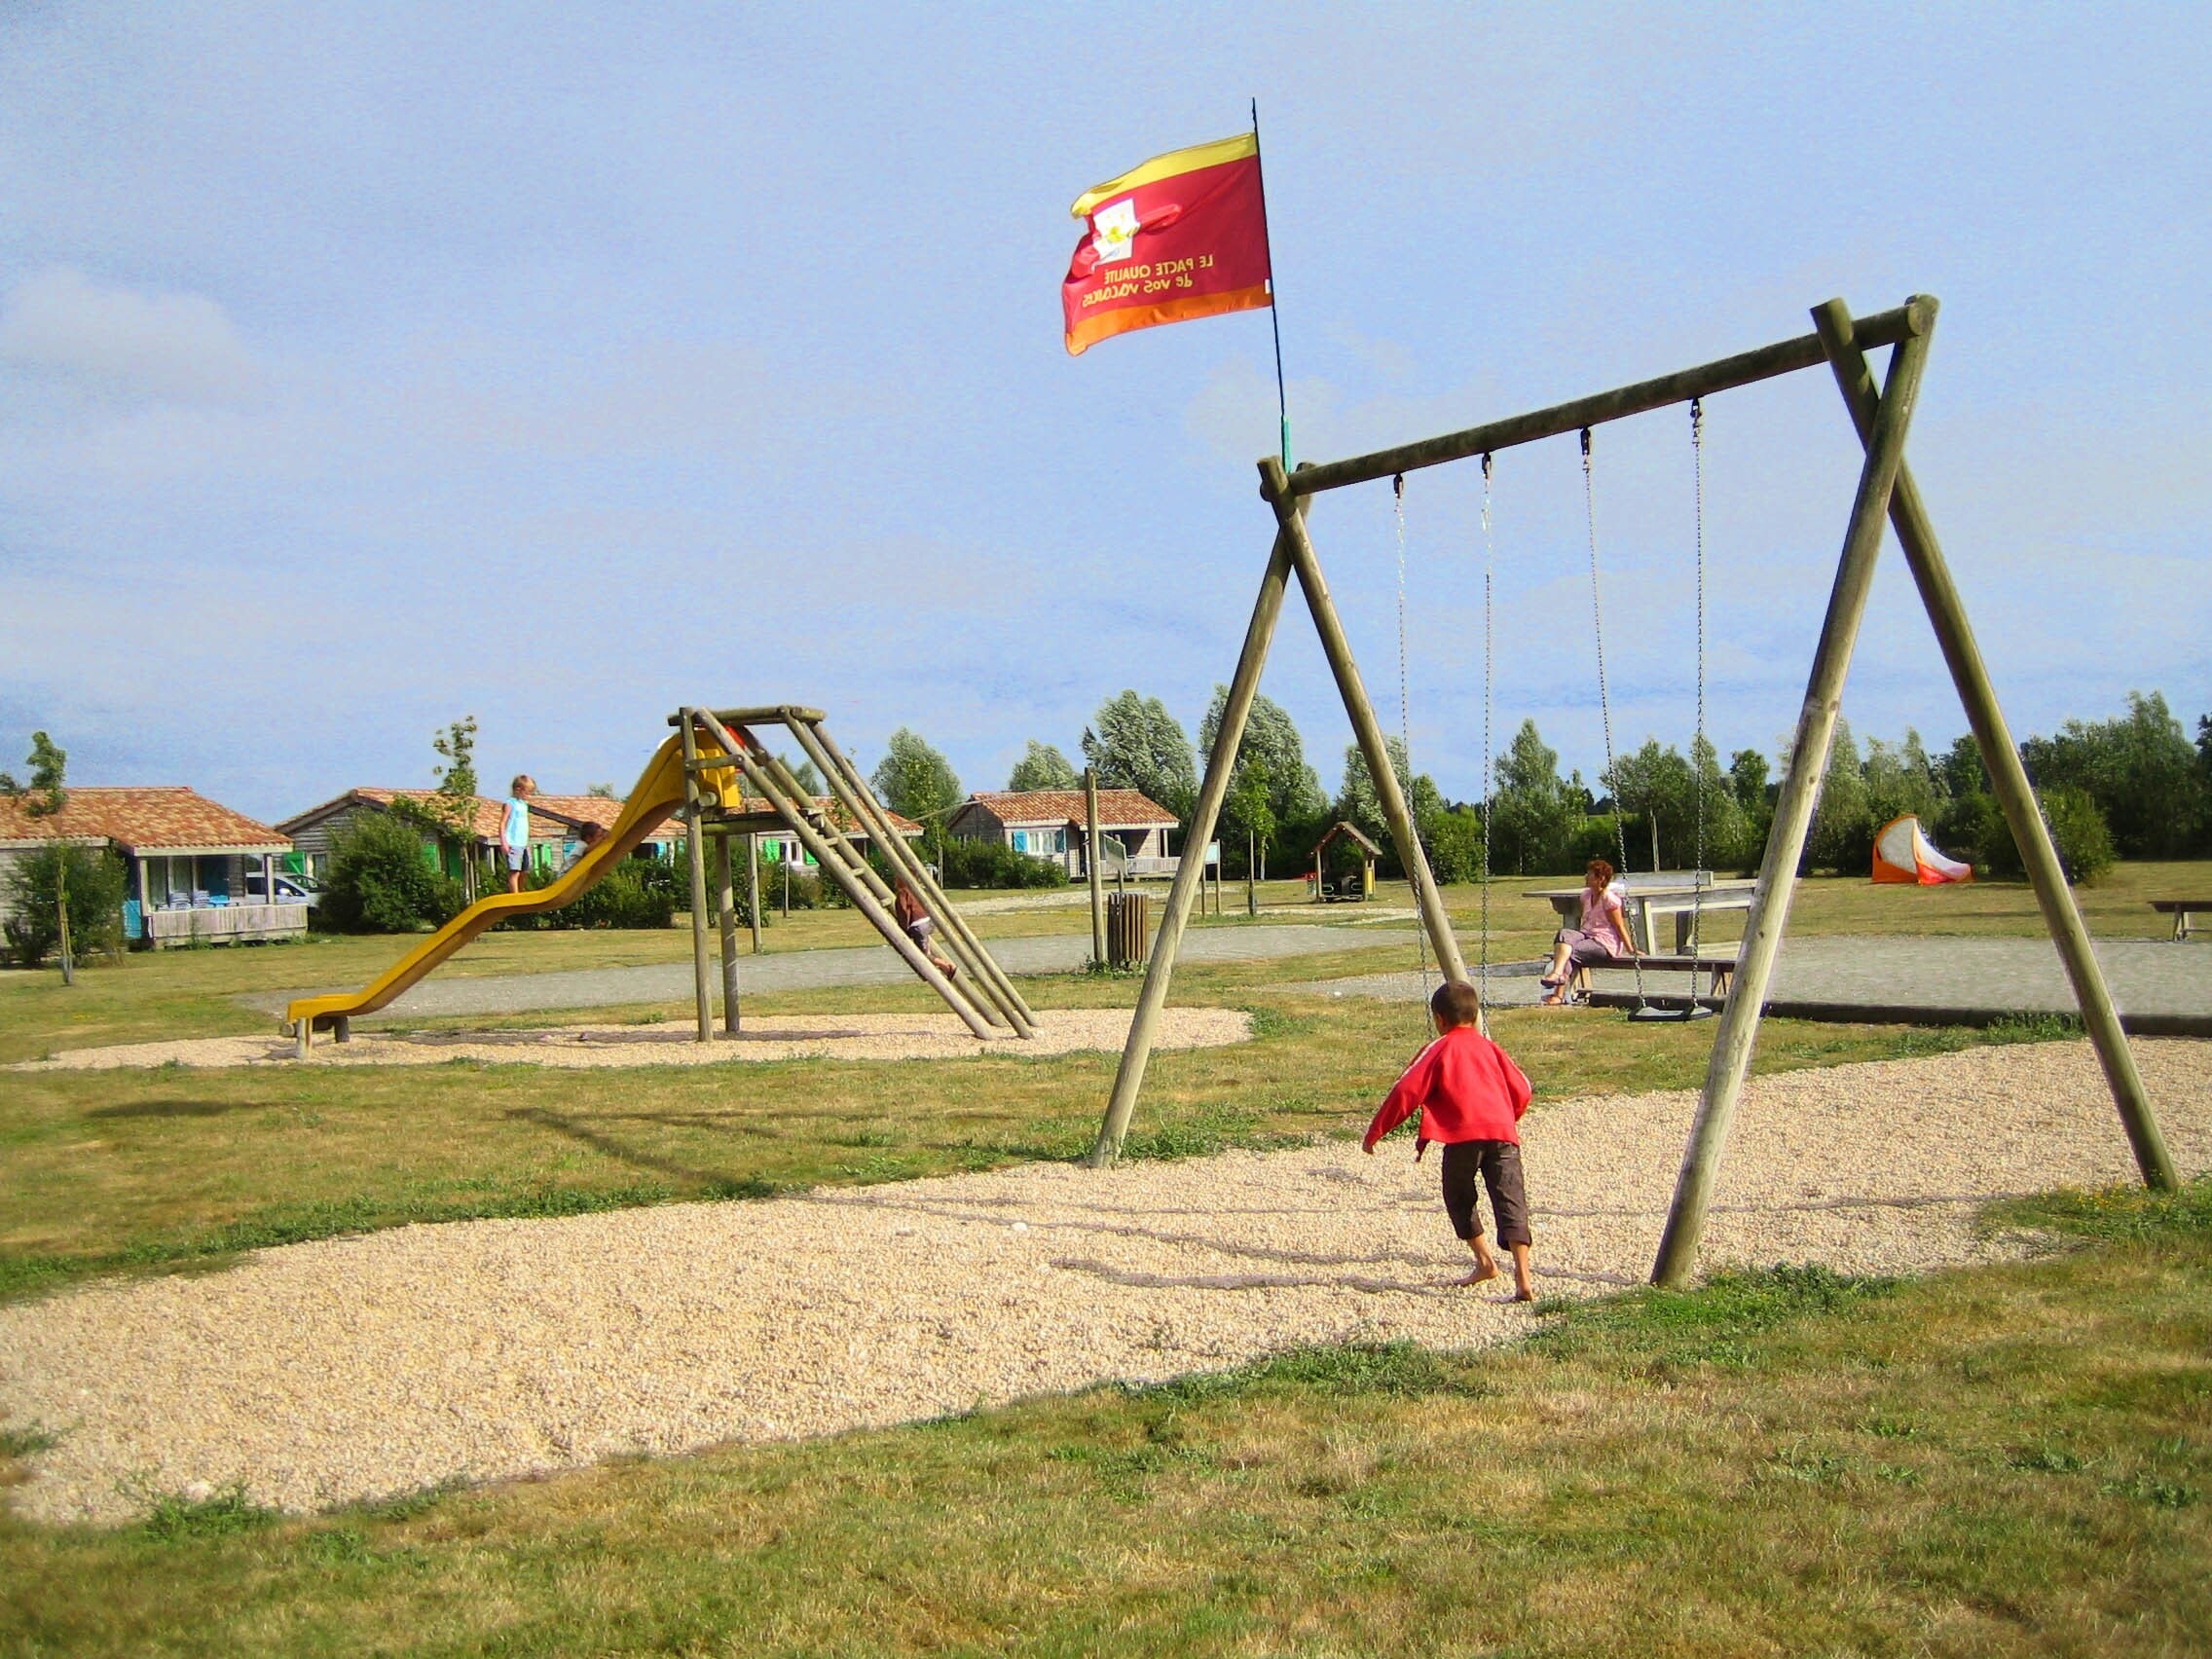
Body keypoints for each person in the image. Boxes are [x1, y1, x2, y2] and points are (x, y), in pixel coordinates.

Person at [1364, 978, 1536, 1299]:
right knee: (1511, 1199)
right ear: (1474, 1016)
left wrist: (1376, 1131)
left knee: (1458, 1195)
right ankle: (1523, 1277)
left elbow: (1406, 1090)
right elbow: (1523, 1088)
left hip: (1463, 1136)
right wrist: (1506, 1118)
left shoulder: (1439, 1047)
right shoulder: (1491, 1047)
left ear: (1439, 1019)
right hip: (1502, 1134)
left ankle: (1485, 1261)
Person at [1539, 856, 1631, 1007]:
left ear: (1600, 878)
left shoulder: (1609, 899)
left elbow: (1620, 926)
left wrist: (1631, 949)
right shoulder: (1586, 895)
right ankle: (1557, 975)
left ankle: (1558, 993)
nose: (1585, 877)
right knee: (1564, 934)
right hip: (1587, 935)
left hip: (1604, 943)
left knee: (1569, 952)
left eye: (1589, 874)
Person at [893, 878, 956, 977]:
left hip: (918, 925)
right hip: (928, 920)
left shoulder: (902, 893)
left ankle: (947, 967)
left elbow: (904, 912)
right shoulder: (914, 890)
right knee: (926, 949)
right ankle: (940, 967)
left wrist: (904, 928)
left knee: (922, 955)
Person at [502, 775, 535, 894]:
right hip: (513, 841)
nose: (529, 795)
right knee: (514, 871)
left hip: (523, 842)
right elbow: (502, 823)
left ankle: (521, 891)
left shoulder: (523, 805)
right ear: (518, 789)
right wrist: (504, 842)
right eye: (527, 792)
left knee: (525, 870)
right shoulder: (510, 803)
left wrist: (526, 842)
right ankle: (515, 894)